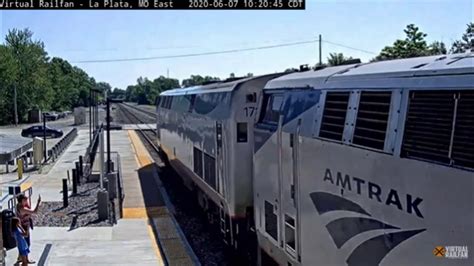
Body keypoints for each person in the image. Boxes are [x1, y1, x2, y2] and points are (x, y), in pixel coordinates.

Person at [16, 194, 41, 264]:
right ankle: (26, 259)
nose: (26, 201)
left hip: (22, 227)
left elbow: (28, 214)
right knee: (27, 244)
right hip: (24, 227)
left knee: (23, 243)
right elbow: (34, 212)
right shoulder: (22, 209)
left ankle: (20, 257)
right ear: (21, 201)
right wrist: (38, 203)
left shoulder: (19, 206)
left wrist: (28, 215)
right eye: (24, 200)